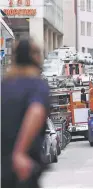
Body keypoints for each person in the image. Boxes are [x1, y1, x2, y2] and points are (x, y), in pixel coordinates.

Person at [1, 38, 50, 188]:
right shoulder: (36, 84)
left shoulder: (4, 85)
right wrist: (20, 152)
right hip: (24, 167)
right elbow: (36, 111)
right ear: (35, 57)